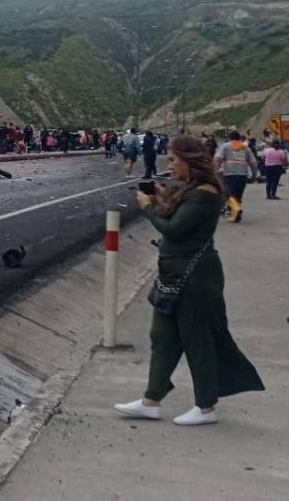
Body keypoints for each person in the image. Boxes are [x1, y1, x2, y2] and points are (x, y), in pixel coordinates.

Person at [115, 135, 264, 425]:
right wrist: (162, 200)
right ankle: (151, 400)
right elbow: (179, 219)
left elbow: (174, 229)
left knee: (198, 339)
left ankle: (206, 406)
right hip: (174, 274)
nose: (170, 165)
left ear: (189, 160)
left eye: (173, 160)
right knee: (162, 336)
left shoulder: (205, 193)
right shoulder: (193, 190)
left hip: (194, 276)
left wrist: (147, 207)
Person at [215, 131, 258, 223]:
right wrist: (254, 175)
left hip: (229, 174)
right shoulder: (246, 148)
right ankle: (235, 216)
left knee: (229, 194)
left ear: (230, 138)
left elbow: (218, 159)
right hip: (243, 175)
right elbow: (253, 163)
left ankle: (236, 209)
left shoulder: (225, 146)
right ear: (239, 138)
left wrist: (214, 172)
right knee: (238, 196)